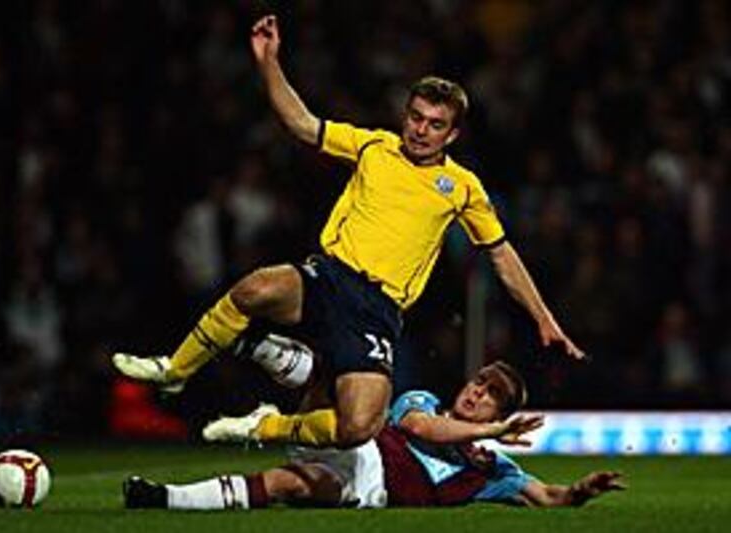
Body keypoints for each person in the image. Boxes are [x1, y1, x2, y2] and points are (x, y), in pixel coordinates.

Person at [112, 14, 585, 449]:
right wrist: (269, 62)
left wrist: (543, 317)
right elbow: (301, 123)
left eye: (435, 124)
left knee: (359, 427)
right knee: (255, 288)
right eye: (416, 117)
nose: (421, 130)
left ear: (453, 135)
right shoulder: (374, 146)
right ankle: (175, 369)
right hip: (330, 277)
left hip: (377, 310)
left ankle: (266, 424)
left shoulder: (463, 187)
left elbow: (501, 256)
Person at [121, 361, 624, 510]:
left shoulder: (492, 471)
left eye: (490, 395)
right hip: (355, 442)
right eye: (478, 382)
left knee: (286, 485)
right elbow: (418, 428)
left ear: (504, 411)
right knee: (335, 376)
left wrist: (582, 491)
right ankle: (256, 347)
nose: (476, 393)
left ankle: (160, 498)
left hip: (367, 488)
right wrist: (492, 428)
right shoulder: (423, 402)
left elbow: (549, 497)